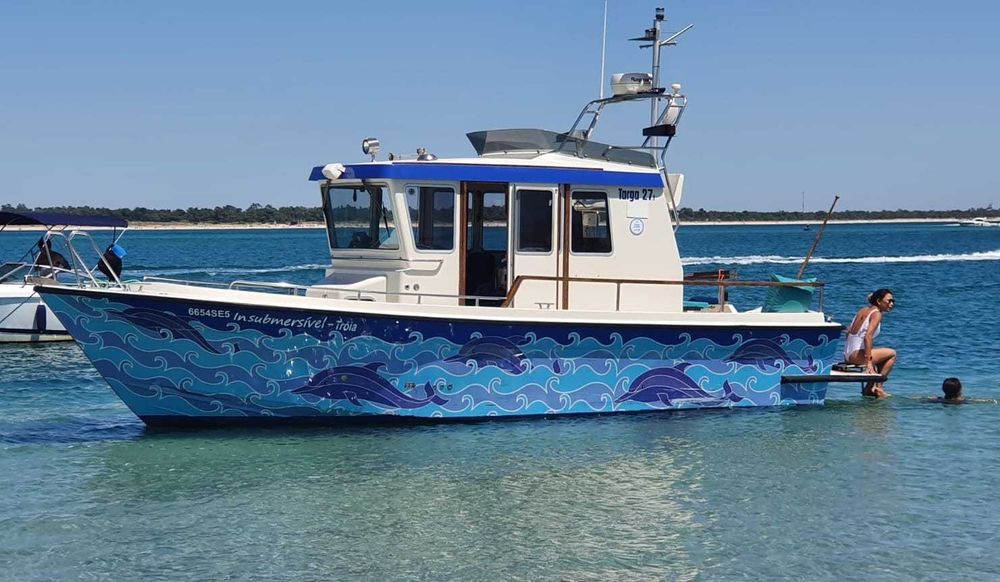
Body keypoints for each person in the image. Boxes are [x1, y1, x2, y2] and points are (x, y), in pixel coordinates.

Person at [843, 288, 896, 397]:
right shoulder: (876, 314)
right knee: (892, 354)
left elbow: (849, 332)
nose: (891, 304)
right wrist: (869, 362)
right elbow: (868, 337)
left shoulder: (863, 310)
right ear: (879, 301)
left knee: (879, 356)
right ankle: (878, 387)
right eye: (889, 301)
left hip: (848, 354)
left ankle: (869, 388)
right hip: (856, 355)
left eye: (893, 301)